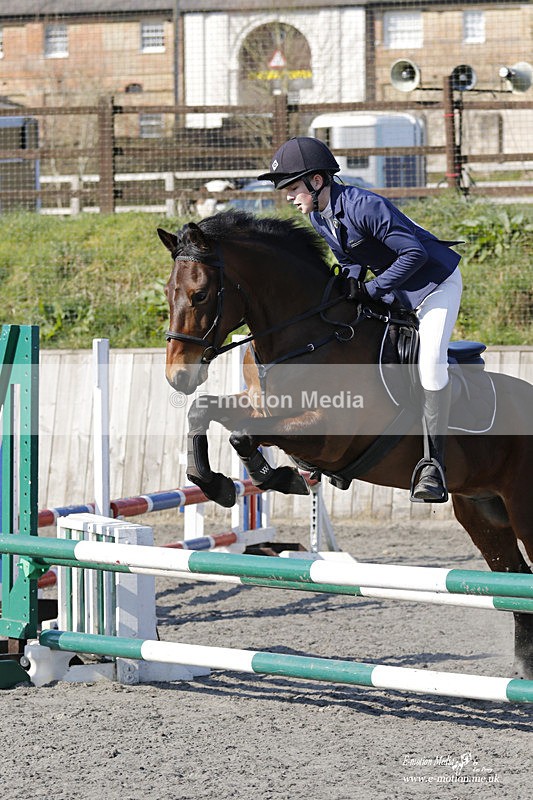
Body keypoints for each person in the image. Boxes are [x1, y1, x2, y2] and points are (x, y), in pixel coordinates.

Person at [258, 136, 463, 503]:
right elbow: (354, 259)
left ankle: (434, 466)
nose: (288, 196)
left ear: (316, 181)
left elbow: (413, 254)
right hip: (394, 288)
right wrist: (348, 286)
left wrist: (371, 290)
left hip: (433, 285)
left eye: (292, 187)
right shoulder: (320, 216)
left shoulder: (365, 206)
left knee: (431, 365)